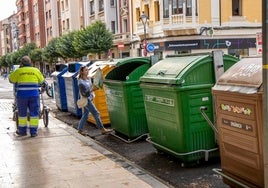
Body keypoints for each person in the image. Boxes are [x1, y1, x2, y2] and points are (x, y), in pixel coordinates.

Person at [9, 56, 45, 137]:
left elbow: (11, 80)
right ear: (30, 62)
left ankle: (22, 131)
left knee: (22, 114)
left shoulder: (18, 71)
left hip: (22, 95)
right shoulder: (36, 70)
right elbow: (42, 81)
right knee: (34, 113)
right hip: (34, 95)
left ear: (21, 63)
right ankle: (33, 132)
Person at [77, 65, 112, 136]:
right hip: (86, 100)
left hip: (90, 98)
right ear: (82, 72)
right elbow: (84, 93)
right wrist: (92, 89)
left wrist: (99, 72)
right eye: (86, 70)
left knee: (85, 114)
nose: (87, 71)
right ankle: (102, 129)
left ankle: (80, 129)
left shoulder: (89, 78)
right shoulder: (80, 82)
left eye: (88, 70)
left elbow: (96, 82)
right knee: (96, 113)